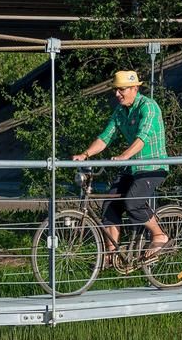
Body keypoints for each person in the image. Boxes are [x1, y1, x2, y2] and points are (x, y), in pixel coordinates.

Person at [72, 69, 170, 260]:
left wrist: (124, 155)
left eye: (121, 90)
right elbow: (105, 137)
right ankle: (112, 254)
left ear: (135, 88)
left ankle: (159, 235)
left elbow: (143, 137)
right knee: (109, 205)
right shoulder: (120, 111)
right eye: (115, 90)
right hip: (132, 167)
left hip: (152, 167)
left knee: (132, 202)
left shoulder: (148, 107)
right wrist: (85, 154)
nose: (117, 94)